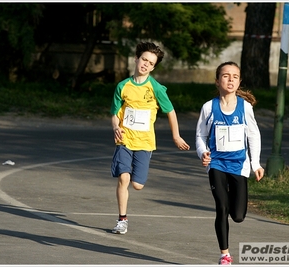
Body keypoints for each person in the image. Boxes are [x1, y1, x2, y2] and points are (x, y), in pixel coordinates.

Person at [110, 42, 190, 234]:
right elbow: (114, 113)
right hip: (125, 139)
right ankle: (122, 219)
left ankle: (137, 175)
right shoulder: (123, 86)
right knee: (124, 178)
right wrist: (115, 127)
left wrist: (176, 136)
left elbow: (170, 112)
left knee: (137, 185)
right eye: (144, 59)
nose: (146, 64)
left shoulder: (156, 88)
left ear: (153, 67)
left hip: (145, 142)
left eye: (151, 63)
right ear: (136, 59)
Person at [195, 61, 264, 265]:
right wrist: (203, 153)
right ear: (217, 81)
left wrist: (256, 164)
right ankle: (225, 254)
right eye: (226, 76)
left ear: (239, 81)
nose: (230, 79)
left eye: (235, 76)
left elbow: (254, 135)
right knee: (222, 207)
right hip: (216, 163)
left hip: (239, 165)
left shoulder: (245, 108)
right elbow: (200, 135)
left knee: (238, 215)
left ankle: (235, 202)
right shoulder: (209, 107)